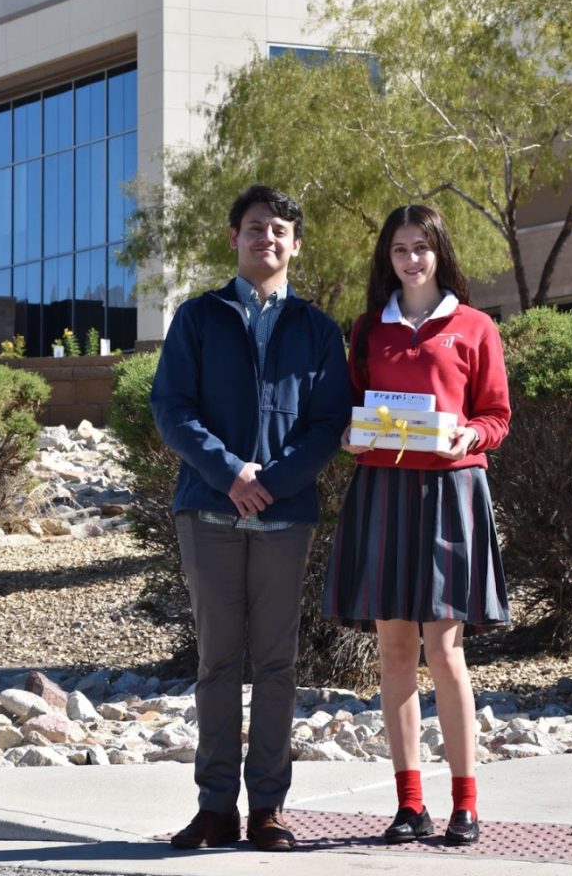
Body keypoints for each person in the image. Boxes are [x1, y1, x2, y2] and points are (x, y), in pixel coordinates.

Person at [151, 184, 349, 853]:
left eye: (279, 231)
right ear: (234, 237)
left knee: (275, 663)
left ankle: (267, 808)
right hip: (208, 508)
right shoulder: (198, 318)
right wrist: (229, 473)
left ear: (296, 244)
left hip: (285, 515)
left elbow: (327, 423)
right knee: (217, 662)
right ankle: (215, 808)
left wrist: (274, 480)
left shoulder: (318, 331)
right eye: (255, 228)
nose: (267, 239)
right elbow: (172, 410)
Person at [323, 204, 510, 846]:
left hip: (453, 491)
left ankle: (465, 804)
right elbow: (350, 407)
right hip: (381, 488)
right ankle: (409, 805)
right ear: (388, 258)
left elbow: (496, 416)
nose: (411, 259)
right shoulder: (368, 330)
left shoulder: (476, 326)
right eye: (400, 249)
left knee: (446, 650)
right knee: (395, 649)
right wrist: (349, 432)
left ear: (439, 252)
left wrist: (469, 434)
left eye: (421, 248)